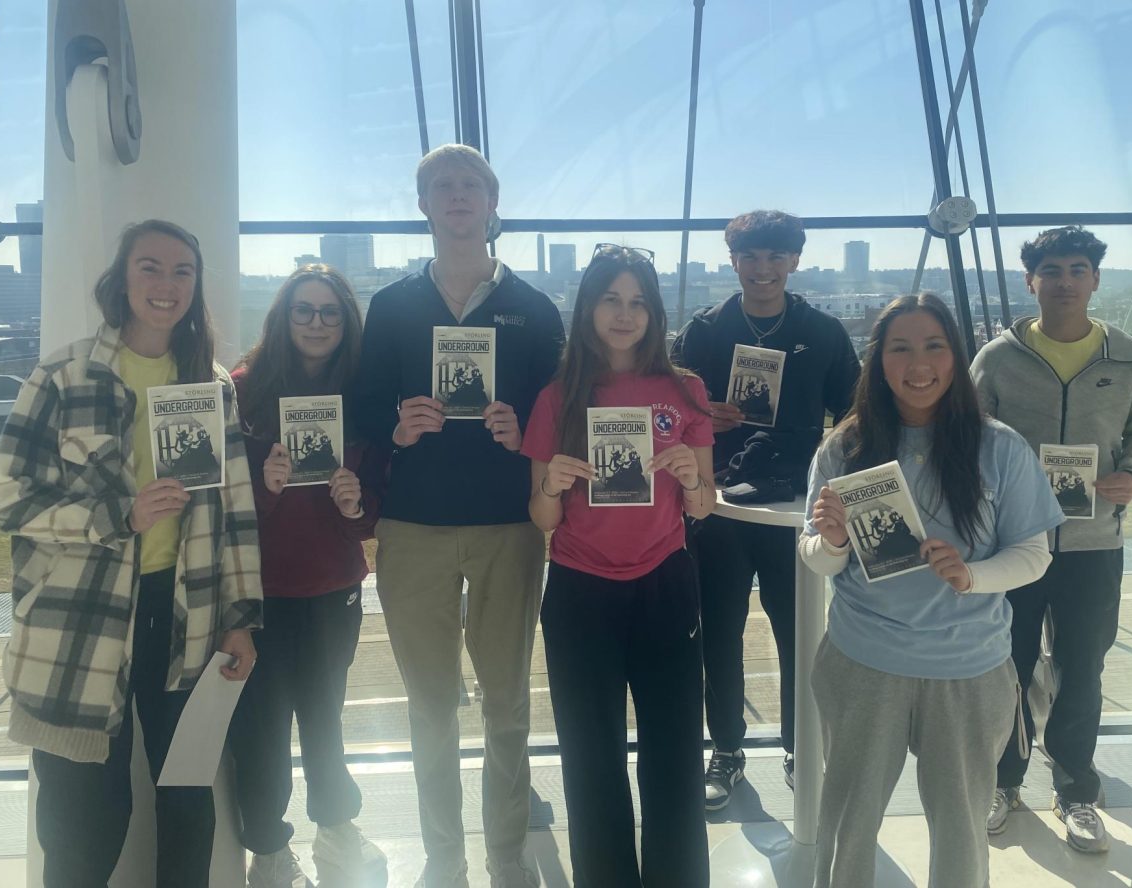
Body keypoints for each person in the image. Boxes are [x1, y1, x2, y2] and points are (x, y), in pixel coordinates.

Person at [0, 219, 262, 888]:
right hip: (80, 624)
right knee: (82, 820)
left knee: (188, 799)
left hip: (187, 616)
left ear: (195, 288)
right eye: (150, 267)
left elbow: (237, 513)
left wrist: (242, 617)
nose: (165, 285)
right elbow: (6, 499)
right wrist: (117, 515)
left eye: (181, 272)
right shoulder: (65, 373)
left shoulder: (213, 386)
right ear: (121, 279)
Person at [353, 144, 565, 888]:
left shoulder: (535, 309)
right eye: (441, 185)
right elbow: (363, 407)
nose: (456, 195)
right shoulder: (391, 306)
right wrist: (398, 425)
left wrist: (524, 432)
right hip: (413, 530)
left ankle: (505, 848)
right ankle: (444, 853)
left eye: (469, 184)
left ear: (492, 201)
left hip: (509, 527)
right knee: (430, 704)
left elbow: (562, 413)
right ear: (424, 206)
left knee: (507, 701)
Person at [801, 293, 1064, 888]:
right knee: (847, 826)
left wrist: (973, 575)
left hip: (969, 669)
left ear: (956, 354)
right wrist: (834, 541)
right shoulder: (844, 448)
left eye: (933, 346)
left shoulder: (999, 448)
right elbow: (814, 558)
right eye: (900, 348)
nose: (918, 364)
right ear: (878, 360)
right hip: (863, 663)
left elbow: (1033, 554)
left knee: (962, 827)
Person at [971, 226, 1132, 852]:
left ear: (1094, 279)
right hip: (1014, 545)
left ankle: (1075, 788)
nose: (1064, 281)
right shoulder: (997, 359)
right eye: (1051, 270)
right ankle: (1001, 781)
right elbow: (970, 439)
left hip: (1094, 544)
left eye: (1077, 269)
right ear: (1029, 281)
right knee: (1005, 666)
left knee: (1083, 666)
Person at [522, 244, 715, 887]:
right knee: (591, 758)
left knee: (675, 752)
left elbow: (706, 505)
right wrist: (550, 484)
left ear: (654, 313)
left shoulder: (686, 390)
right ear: (587, 309)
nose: (624, 313)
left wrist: (691, 478)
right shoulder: (557, 396)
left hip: (664, 583)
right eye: (611, 299)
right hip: (580, 592)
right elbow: (542, 519)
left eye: (638, 301)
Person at [671, 210, 859, 808]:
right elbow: (666, 417)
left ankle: (801, 746)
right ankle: (726, 750)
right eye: (751, 257)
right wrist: (706, 416)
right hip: (720, 507)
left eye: (776, 256)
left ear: (795, 262)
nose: (763, 268)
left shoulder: (824, 333)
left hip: (797, 512)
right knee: (718, 634)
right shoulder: (702, 332)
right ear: (734, 262)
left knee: (799, 632)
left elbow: (855, 415)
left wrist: (831, 462)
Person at [229, 265, 388, 888]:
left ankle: (335, 823)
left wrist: (355, 507)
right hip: (258, 591)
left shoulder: (364, 393)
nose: (317, 323)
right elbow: (215, 499)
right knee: (262, 726)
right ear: (283, 316)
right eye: (304, 310)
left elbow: (376, 500)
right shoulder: (243, 389)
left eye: (329, 312)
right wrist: (264, 491)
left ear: (346, 322)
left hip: (333, 586)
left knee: (326, 715)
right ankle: (267, 845)